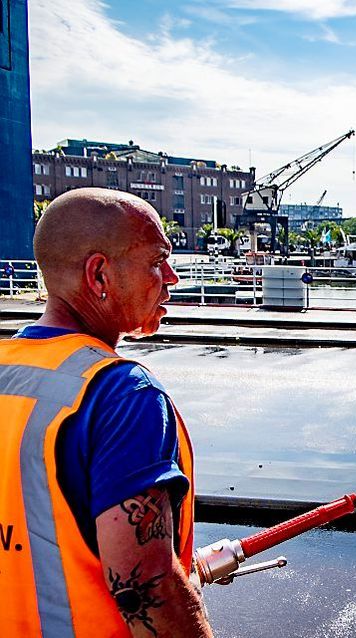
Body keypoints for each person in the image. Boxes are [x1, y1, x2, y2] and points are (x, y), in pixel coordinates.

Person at [0, 188, 213, 637]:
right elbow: (146, 588)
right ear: (99, 275)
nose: (171, 276)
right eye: (157, 260)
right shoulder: (120, 394)